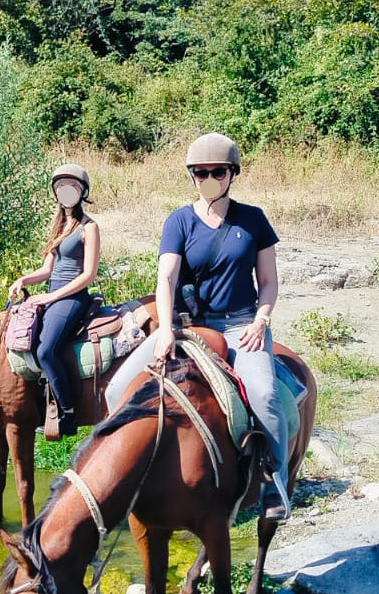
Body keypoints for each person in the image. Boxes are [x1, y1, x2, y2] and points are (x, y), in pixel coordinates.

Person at [105, 133, 292, 520]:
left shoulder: (252, 219)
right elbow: (167, 279)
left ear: (232, 174)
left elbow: (269, 281)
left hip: (241, 325)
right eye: (200, 172)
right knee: (117, 390)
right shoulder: (179, 220)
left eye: (217, 171)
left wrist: (261, 319)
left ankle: (274, 483)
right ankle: (118, 474)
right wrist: (167, 330)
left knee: (263, 394)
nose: (209, 178)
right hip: (190, 324)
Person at [8, 163, 101, 438]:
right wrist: (23, 280)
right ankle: (36, 406)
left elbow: (89, 274)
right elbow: (48, 270)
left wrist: (52, 295)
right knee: (25, 340)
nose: (65, 191)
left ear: (82, 191)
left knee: (46, 350)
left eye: (71, 186)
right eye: (61, 187)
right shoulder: (59, 225)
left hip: (72, 296)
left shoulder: (89, 227)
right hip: (53, 293)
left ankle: (68, 413)